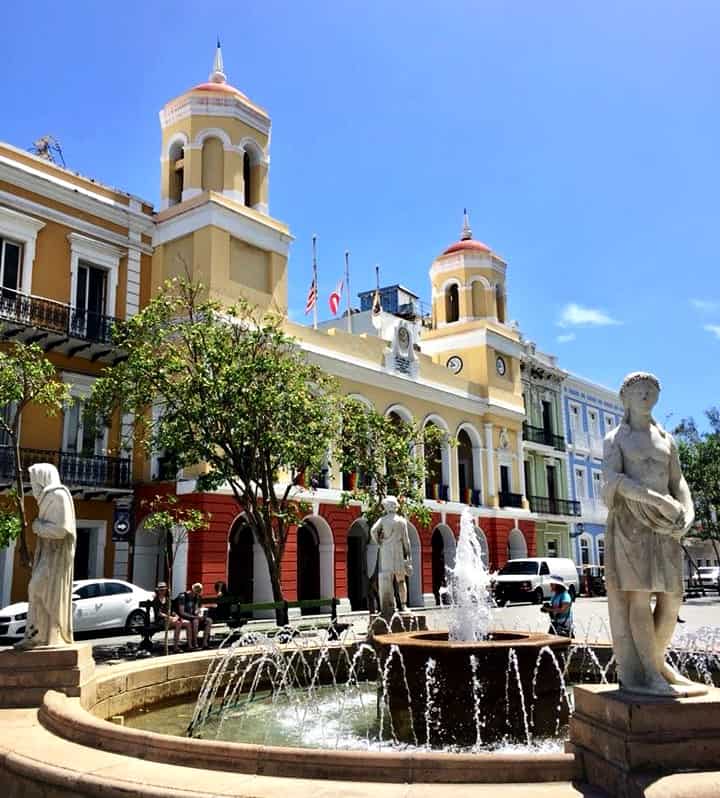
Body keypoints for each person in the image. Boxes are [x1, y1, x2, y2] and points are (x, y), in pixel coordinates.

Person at [603, 371, 705, 696]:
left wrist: (687, 512)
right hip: (631, 524)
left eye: (651, 389)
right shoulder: (615, 439)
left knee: (673, 598)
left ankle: (658, 662)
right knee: (638, 596)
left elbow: (679, 482)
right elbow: (611, 480)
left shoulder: (667, 440)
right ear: (626, 398)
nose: (646, 394)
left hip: (666, 528)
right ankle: (649, 672)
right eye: (639, 389)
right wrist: (652, 499)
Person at [15, 463, 76, 650]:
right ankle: (37, 635)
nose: (32, 484)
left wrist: (37, 526)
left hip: (56, 557)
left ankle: (47, 634)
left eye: (34, 479)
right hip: (47, 553)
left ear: (43, 478)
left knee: (37, 589)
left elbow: (61, 530)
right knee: (36, 591)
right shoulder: (46, 497)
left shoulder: (58, 496)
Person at [369, 496, 413, 617]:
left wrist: (379, 542)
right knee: (401, 580)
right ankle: (403, 606)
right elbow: (406, 540)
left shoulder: (383, 520)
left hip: (386, 551)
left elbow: (373, 531)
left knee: (387, 580)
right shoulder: (402, 521)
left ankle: (389, 607)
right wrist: (408, 556)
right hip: (398, 550)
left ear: (387, 507)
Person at [152, 582, 192, 653]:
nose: (162, 591)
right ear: (158, 591)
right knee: (178, 623)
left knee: (188, 623)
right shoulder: (156, 600)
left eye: (164, 590)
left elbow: (172, 611)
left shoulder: (168, 599)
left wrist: (176, 616)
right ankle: (175, 647)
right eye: (161, 590)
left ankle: (189, 645)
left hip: (170, 619)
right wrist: (170, 617)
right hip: (161, 620)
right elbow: (159, 614)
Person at [175, 582, 212, 649]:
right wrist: (196, 617)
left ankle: (205, 643)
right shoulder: (183, 596)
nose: (197, 594)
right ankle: (195, 643)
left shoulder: (197, 597)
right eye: (196, 592)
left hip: (193, 616)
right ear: (192, 590)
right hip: (183, 616)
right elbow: (182, 612)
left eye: (198, 592)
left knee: (209, 620)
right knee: (195, 621)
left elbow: (196, 610)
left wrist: (200, 612)